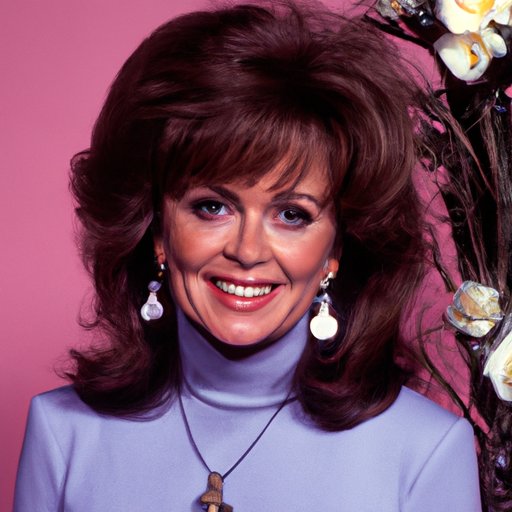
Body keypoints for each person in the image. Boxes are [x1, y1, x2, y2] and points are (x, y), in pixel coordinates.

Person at [14, 2, 481, 511]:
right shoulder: (63, 436)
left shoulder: (425, 453)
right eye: (212, 207)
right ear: (157, 230)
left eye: (292, 215)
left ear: (335, 250)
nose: (247, 250)